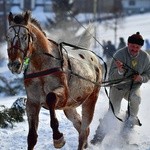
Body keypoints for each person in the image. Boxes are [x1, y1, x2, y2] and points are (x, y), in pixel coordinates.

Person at [91, 32, 150, 145]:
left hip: (133, 87)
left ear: (141, 47)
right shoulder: (119, 54)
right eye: (132, 46)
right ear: (128, 44)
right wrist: (120, 70)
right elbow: (111, 76)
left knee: (136, 100)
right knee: (113, 113)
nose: (134, 49)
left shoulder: (145, 58)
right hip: (117, 87)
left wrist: (141, 78)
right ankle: (97, 138)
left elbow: (148, 75)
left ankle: (126, 132)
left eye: (137, 47)